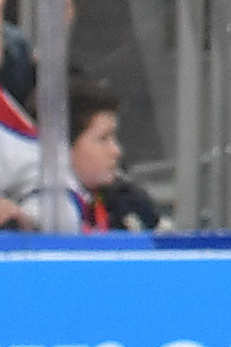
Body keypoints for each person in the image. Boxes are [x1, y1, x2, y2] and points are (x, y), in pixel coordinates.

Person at [0, 72, 155, 230]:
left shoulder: (129, 207)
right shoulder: (27, 217)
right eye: (103, 138)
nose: (117, 151)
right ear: (61, 148)